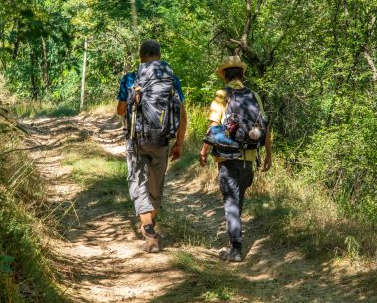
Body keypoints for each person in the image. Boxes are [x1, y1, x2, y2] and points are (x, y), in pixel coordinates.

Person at [116, 40, 187, 253]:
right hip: (162, 140)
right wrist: (179, 143)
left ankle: (149, 233)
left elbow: (120, 111)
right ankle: (150, 224)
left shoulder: (130, 78)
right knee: (155, 187)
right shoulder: (172, 79)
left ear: (141, 56)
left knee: (138, 184)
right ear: (159, 55)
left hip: (136, 140)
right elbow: (182, 113)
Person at [199, 56, 271, 262]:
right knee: (237, 201)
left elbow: (213, 127)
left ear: (224, 75)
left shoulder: (222, 95)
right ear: (242, 74)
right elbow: (265, 128)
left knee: (231, 202)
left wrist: (203, 151)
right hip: (249, 158)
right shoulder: (254, 96)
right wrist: (268, 156)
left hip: (227, 158)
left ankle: (236, 249)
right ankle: (234, 240)